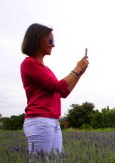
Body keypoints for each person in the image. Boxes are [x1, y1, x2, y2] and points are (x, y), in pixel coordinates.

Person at [20, 23, 89, 155]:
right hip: (39, 120)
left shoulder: (46, 69)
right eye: (50, 41)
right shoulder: (29, 63)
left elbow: (63, 92)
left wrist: (80, 73)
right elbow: (56, 86)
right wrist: (77, 68)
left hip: (52, 120)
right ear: (38, 40)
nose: (53, 45)